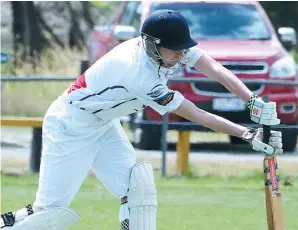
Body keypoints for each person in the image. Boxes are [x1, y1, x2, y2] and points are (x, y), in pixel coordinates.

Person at [1, 9, 283, 230]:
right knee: (49, 215)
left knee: (138, 191)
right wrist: (247, 134)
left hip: (103, 123)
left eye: (183, 49)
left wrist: (251, 100)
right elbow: (195, 114)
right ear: (153, 45)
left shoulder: (168, 48)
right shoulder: (139, 75)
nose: (181, 55)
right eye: (175, 50)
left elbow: (215, 69)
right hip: (70, 125)